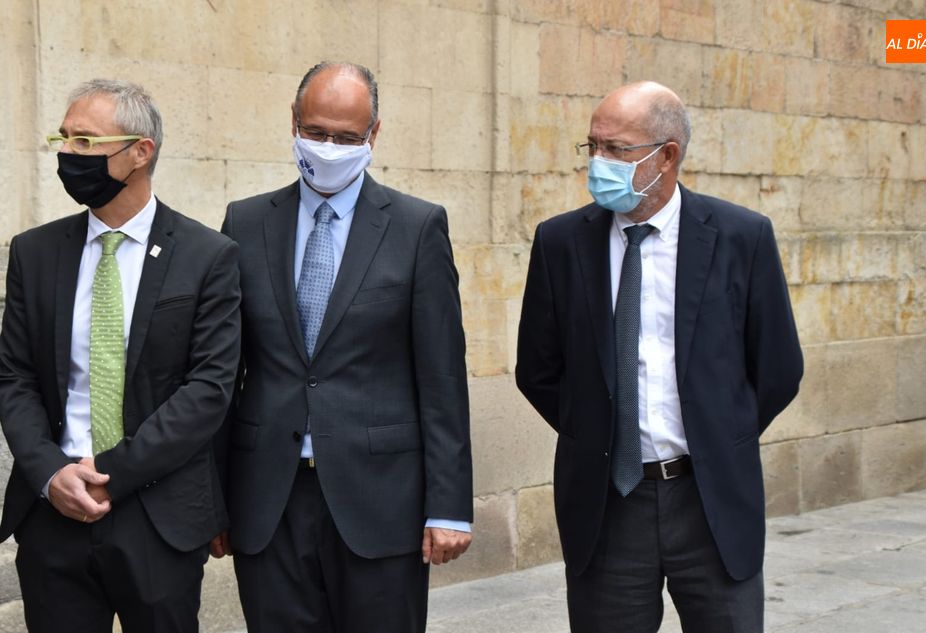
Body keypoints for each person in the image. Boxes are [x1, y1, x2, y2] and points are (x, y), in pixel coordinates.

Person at [515, 81, 803, 633]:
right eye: (591, 146)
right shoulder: (560, 242)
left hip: (712, 501)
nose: (598, 162)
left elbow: (778, 369)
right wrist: (601, 434)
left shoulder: (742, 236)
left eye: (616, 149)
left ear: (666, 155)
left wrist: (720, 435)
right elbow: (539, 369)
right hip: (608, 506)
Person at [215, 61, 473, 633]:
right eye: (316, 132)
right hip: (268, 501)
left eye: (347, 137)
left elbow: (442, 381)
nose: (329, 148)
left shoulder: (417, 227)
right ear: (293, 122)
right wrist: (212, 497)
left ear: (374, 135)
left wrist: (450, 505)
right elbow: (222, 374)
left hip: (381, 502)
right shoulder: (245, 221)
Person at [0, 79, 241, 633]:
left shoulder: (208, 256)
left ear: (141, 151)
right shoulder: (35, 253)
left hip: (157, 517)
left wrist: (106, 471)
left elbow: (208, 390)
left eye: (85, 141)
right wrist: (49, 471)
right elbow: (13, 376)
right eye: (63, 139)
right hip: (53, 514)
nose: (67, 154)